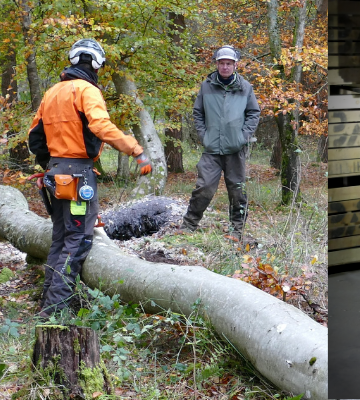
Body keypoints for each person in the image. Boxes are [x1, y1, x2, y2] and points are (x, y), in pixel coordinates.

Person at [27, 38, 150, 318]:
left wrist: (51, 165)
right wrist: (135, 150)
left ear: (73, 60)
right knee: (78, 240)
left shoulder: (52, 93)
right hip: (79, 175)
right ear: (97, 63)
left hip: (55, 173)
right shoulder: (87, 91)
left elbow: (35, 137)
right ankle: (56, 310)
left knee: (60, 239)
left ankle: (49, 303)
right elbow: (101, 125)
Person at [180, 45, 261, 238]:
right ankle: (188, 226)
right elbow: (198, 113)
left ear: (235, 65)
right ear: (217, 64)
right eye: (222, 63)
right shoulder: (206, 86)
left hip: (235, 149)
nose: (225, 67)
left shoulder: (245, 87)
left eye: (229, 63)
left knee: (237, 191)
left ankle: (236, 230)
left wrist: (243, 137)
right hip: (212, 149)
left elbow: (253, 113)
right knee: (204, 187)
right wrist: (203, 135)